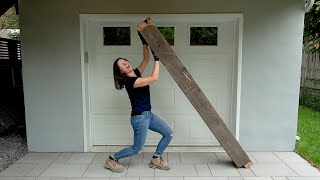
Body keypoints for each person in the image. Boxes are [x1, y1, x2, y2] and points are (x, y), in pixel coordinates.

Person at [105, 31, 173, 173]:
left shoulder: (136, 73)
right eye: (122, 65)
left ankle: (156, 158)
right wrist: (158, 59)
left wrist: (144, 43)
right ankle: (112, 159)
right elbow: (154, 77)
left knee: (168, 133)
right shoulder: (131, 82)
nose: (126, 63)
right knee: (137, 149)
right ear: (121, 72)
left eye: (125, 61)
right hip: (139, 119)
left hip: (149, 115)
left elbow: (146, 59)